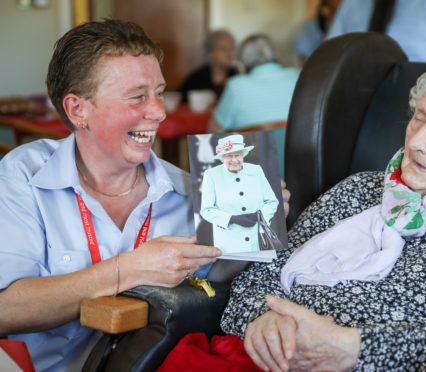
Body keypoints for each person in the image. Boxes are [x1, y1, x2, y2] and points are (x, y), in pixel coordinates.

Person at [220, 59, 426, 371]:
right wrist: (267, 325)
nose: (417, 141)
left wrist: (354, 349)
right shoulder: (359, 188)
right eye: (419, 118)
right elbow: (257, 278)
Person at [0, 20, 290, 372]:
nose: (159, 112)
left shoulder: (194, 188)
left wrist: (253, 236)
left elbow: (212, 286)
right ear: (78, 110)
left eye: (159, 92)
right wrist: (128, 270)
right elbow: (5, 310)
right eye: (137, 96)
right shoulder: (24, 175)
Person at [207, 34, 300, 179]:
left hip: (252, 180)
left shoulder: (236, 85)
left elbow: (213, 132)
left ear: (241, 64)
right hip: (300, 170)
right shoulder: (298, 75)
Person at [200, 134, 279, 255]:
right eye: (229, 156)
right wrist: (233, 219)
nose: (234, 160)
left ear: (243, 155)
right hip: (228, 244)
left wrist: (260, 216)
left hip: (258, 239)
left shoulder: (256, 170)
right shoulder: (211, 175)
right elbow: (206, 210)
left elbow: (272, 201)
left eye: (237, 155)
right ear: (222, 158)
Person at [179, 29, 238, 103]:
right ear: (211, 52)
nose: (229, 54)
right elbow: (182, 101)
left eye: (231, 49)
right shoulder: (196, 78)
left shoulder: (236, 76)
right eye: (223, 49)